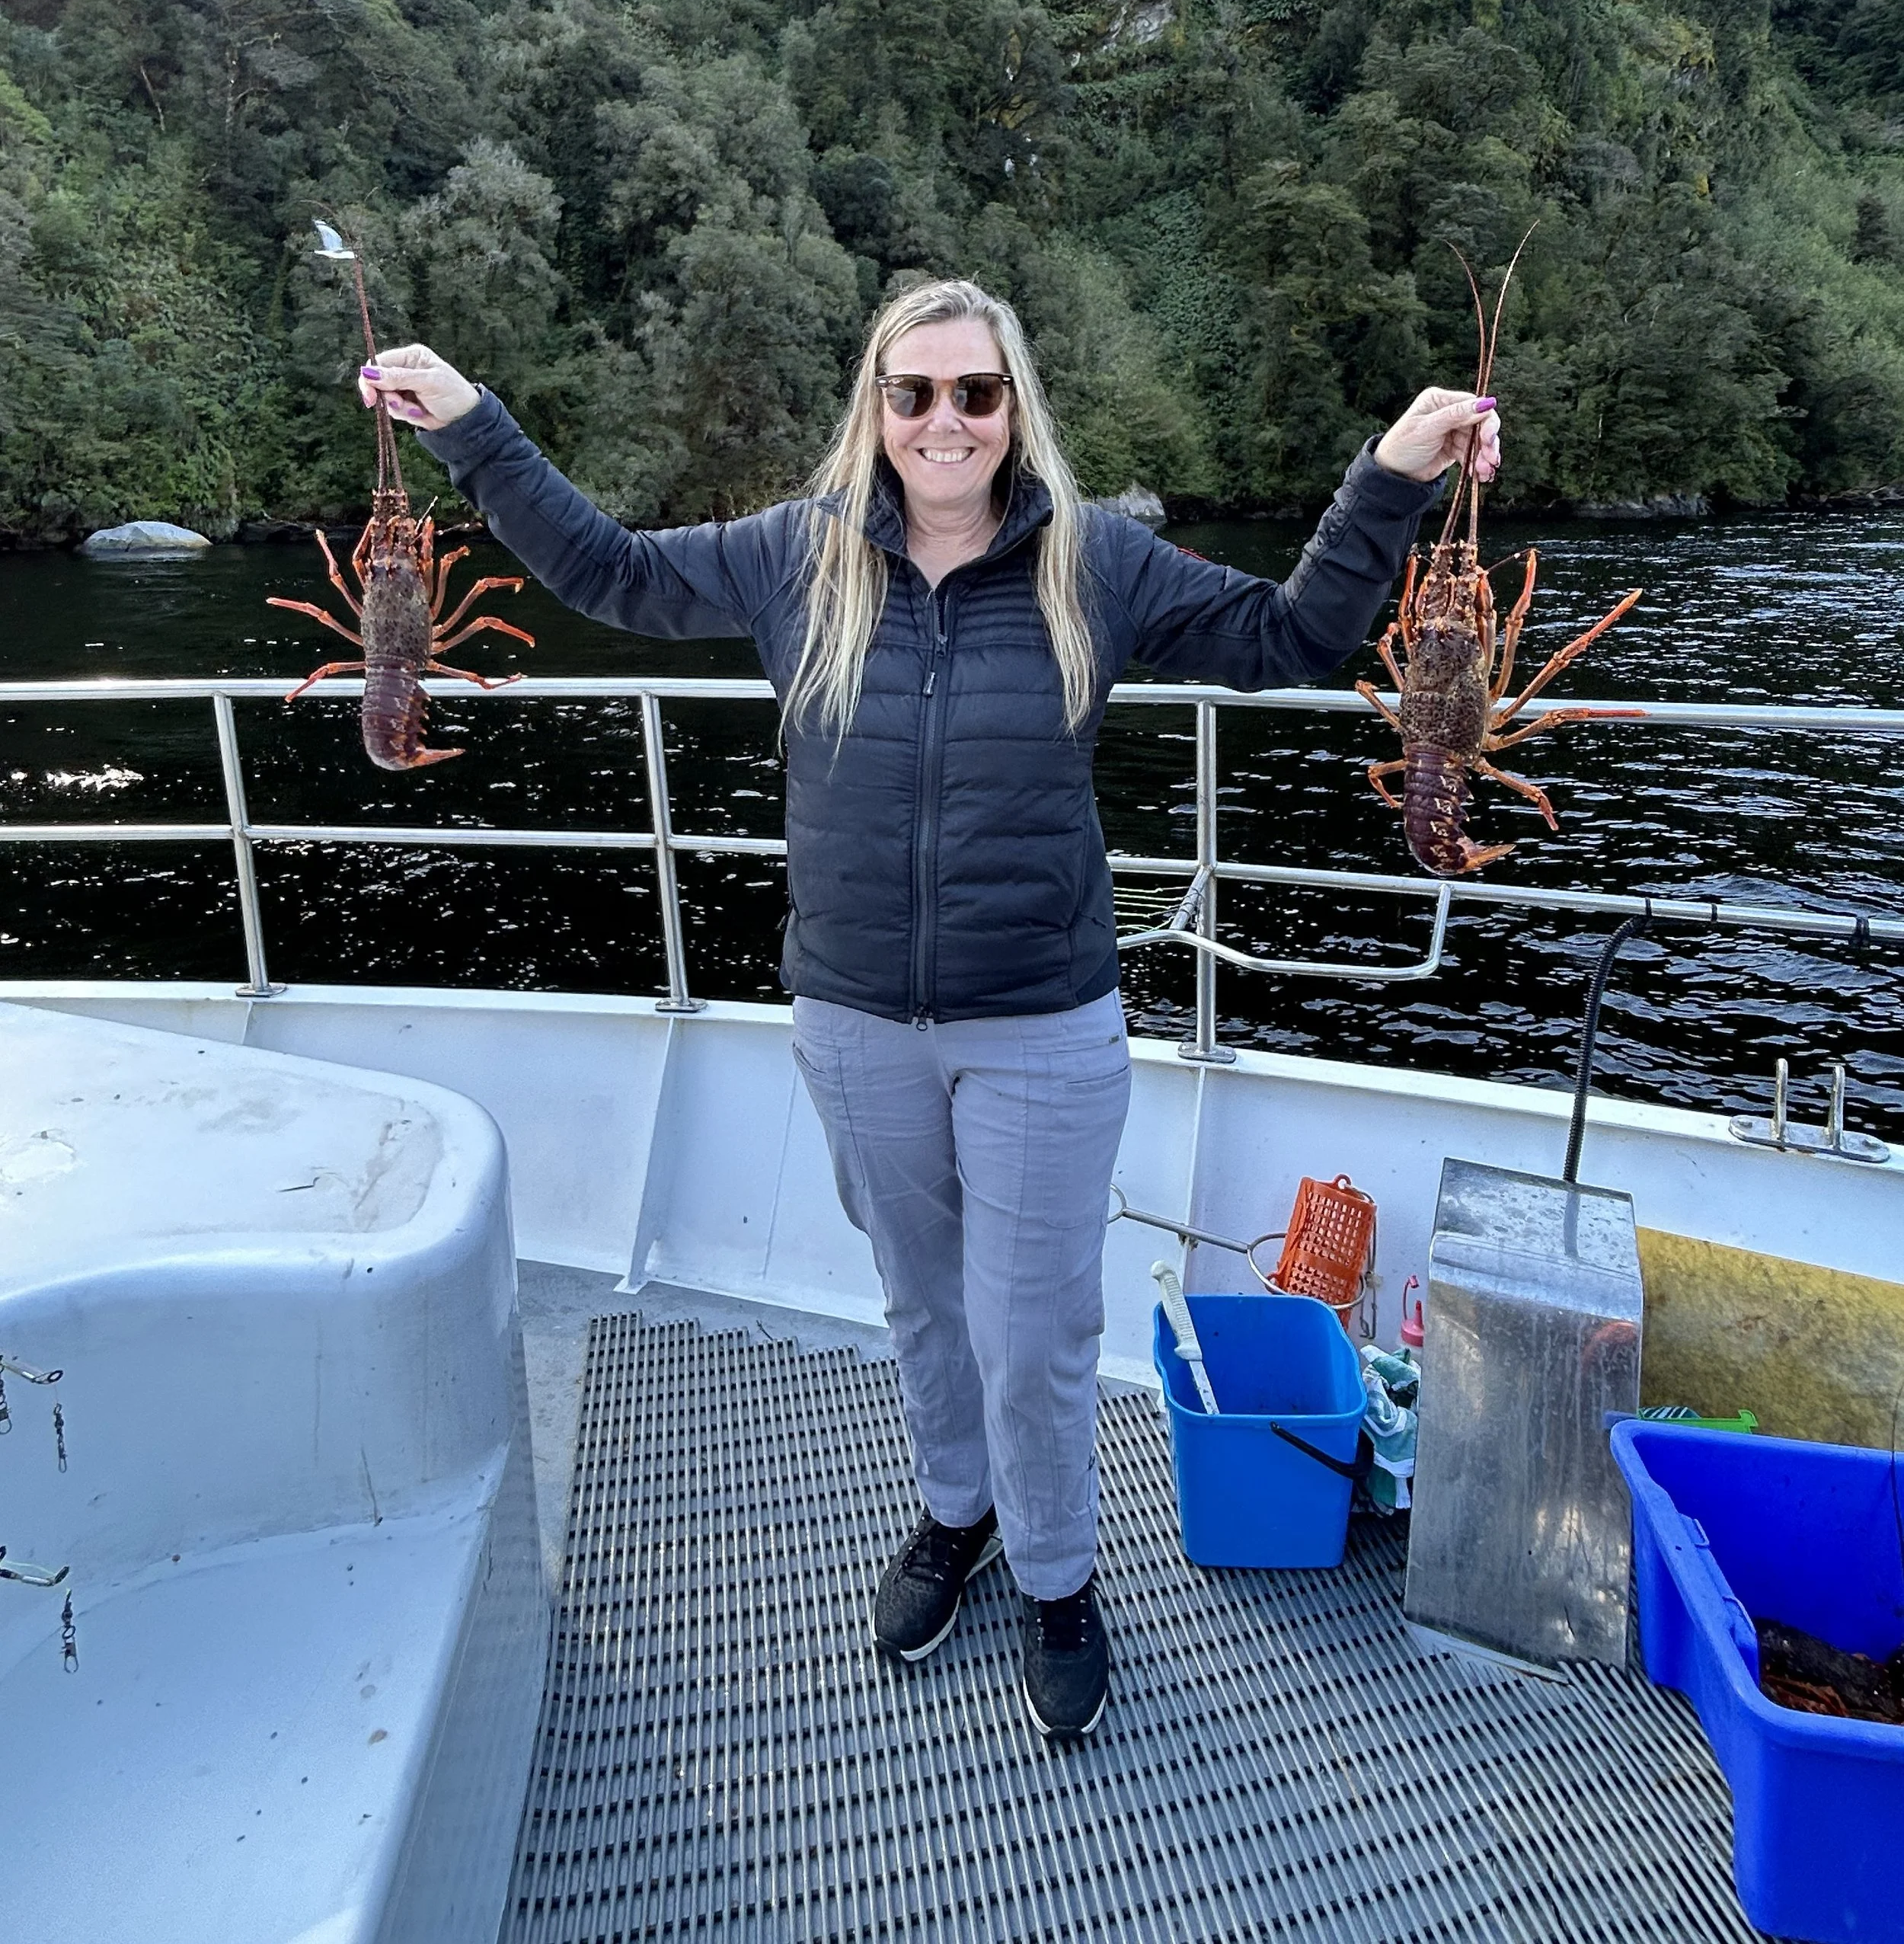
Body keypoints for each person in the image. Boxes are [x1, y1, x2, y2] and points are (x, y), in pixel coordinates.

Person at [363, 277, 1499, 1741]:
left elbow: (1287, 639)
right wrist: (472, 426)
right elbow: (612, 576)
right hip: (852, 1022)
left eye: (975, 392)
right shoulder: (797, 550)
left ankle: (1059, 1578)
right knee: (921, 1303)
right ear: (876, 409)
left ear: (1013, 405)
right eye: (916, 394)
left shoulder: (1092, 562)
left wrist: (1389, 479)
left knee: (1033, 1333)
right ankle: (954, 1515)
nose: (945, 420)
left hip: (1041, 1022)